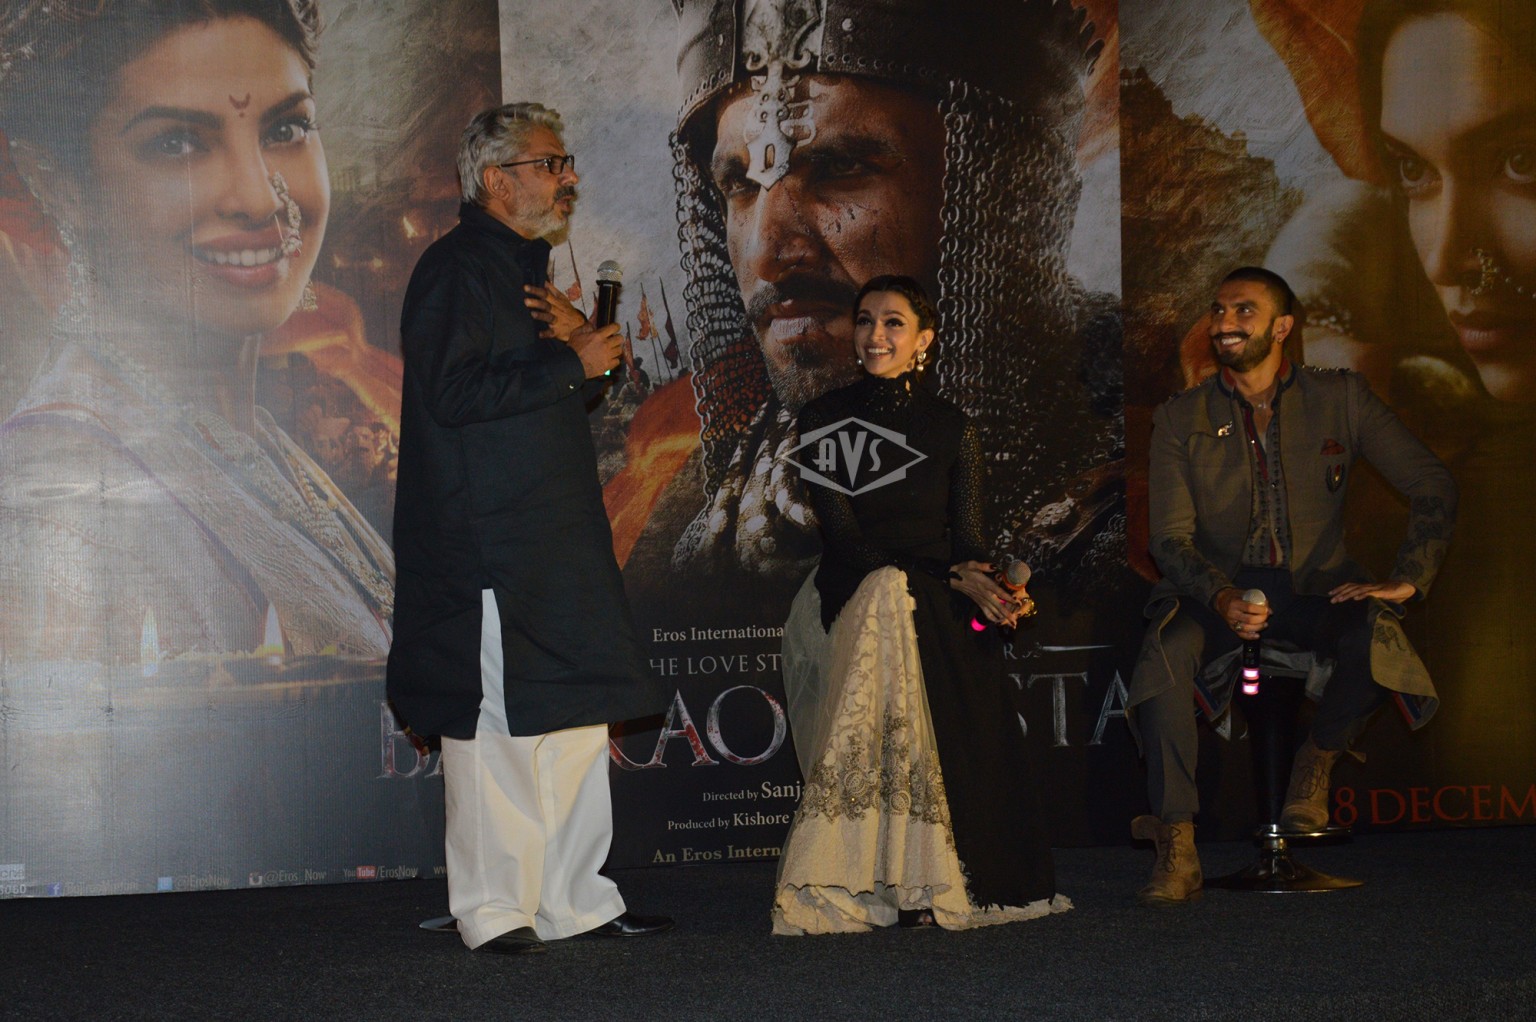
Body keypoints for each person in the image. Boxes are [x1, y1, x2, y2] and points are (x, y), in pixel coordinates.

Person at [663, 0, 1123, 597]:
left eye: (840, 166)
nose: (765, 254)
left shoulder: (1121, 505)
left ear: (1009, 193)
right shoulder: (713, 534)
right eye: (739, 184)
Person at [0, 0, 393, 663]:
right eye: (177, 143)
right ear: (57, 184)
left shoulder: (246, 440)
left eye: (287, 129)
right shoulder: (59, 500)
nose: (260, 199)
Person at [385, 103, 672, 955]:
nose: (567, 177)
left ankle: (576, 902)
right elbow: (452, 394)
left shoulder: (524, 271)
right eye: (550, 163)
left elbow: (548, 399)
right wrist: (567, 359)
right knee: (499, 731)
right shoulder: (454, 269)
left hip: (555, 536)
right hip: (488, 545)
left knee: (576, 718)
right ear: (495, 179)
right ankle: (496, 909)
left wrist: (584, 351)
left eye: (565, 161)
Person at [1126, 267, 1457, 905]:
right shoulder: (1180, 416)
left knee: (1376, 638)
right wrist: (1221, 596)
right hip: (1213, 591)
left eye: (1243, 311)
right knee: (1163, 658)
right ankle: (1177, 839)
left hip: (1314, 589)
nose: (1225, 323)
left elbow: (1432, 483)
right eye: (1219, 311)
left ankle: (1318, 760)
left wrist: (1408, 579)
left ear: (1282, 327)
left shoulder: (1341, 398)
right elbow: (1168, 539)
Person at [774, 276, 1069, 934]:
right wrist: (952, 576)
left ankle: (939, 873)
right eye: (865, 321)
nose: (875, 335)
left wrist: (991, 583)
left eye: (893, 323)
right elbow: (847, 542)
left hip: (936, 589)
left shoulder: (953, 426)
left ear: (924, 339)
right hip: (858, 585)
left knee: (929, 604)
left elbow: (969, 540)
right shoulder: (824, 420)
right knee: (890, 591)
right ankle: (872, 876)